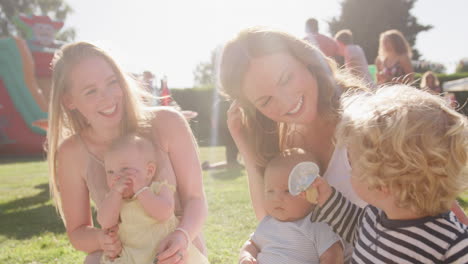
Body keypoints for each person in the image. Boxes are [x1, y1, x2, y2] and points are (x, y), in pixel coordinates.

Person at [218, 27, 468, 261]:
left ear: (306, 62)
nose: (284, 102)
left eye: (286, 78)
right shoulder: (286, 143)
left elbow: (435, 200)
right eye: (265, 101)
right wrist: (245, 148)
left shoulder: (362, 123)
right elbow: (276, 217)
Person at [47, 42, 208, 264]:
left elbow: (195, 199)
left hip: (175, 248)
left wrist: (182, 236)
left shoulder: (167, 122)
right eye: (91, 91)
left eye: (112, 82)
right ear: (69, 100)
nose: (108, 97)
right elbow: (77, 232)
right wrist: (101, 240)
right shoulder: (71, 152)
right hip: (123, 254)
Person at [311, 85, 468, 263]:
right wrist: (327, 197)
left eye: (352, 163)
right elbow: (355, 228)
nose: (350, 169)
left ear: (381, 183)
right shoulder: (375, 216)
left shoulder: (453, 245)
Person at [99, 134, 208, 264]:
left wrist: (141, 191)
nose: (116, 177)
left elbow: (164, 213)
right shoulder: (115, 199)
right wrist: (115, 194)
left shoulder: (159, 189)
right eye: (110, 172)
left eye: (125, 169)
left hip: (163, 252)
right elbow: (105, 222)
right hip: (132, 256)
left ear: (149, 171)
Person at [239, 148, 343, 264]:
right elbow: (251, 244)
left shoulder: (317, 225)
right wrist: (246, 256)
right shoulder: (267, 223)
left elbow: (333, 254)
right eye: (270, 191)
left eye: (287, 191)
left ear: (311, 193)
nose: (276, 198)